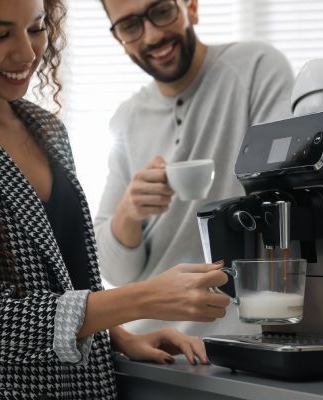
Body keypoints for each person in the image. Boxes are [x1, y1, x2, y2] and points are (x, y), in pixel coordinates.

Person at [0, 0, 231, 398]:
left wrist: (116, 334)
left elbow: (64, 275)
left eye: (36, 28)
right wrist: (144, 297)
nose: (27, 52)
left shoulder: (45, 128)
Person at [95, 0, 295, 336]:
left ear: (191, 6)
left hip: (241, 331)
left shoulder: (256, 68)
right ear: (119, 39)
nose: (153, 35)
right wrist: (129, 212)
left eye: (161, 11)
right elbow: (117, 273)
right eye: (130, 26)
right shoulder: (127, 119)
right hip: (149, 341)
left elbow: (283, 198)